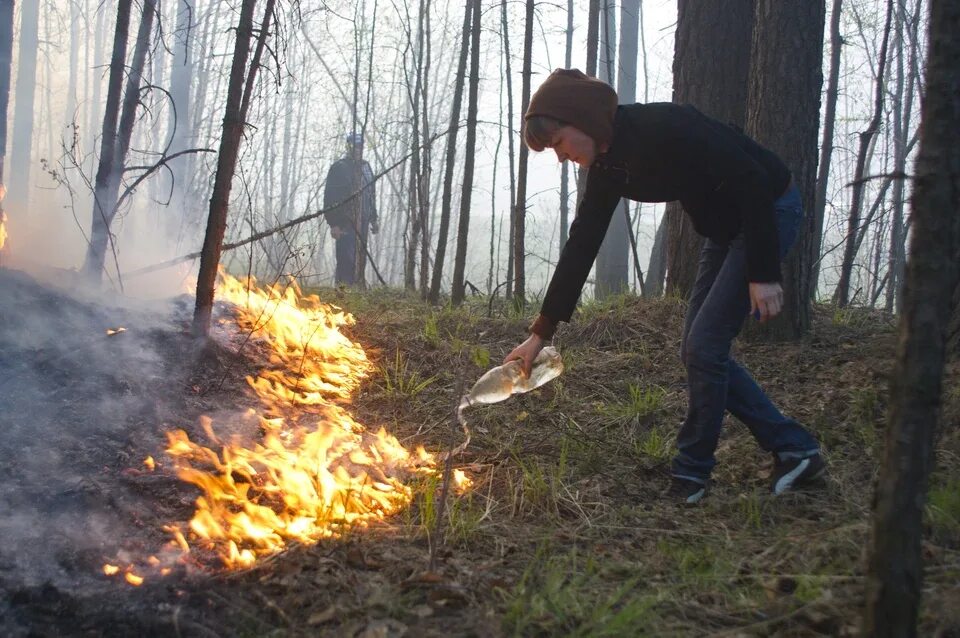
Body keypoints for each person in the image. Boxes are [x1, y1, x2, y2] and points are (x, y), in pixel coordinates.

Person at [504, 69, 825, 505]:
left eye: (558, 143)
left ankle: (691, 475)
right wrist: (540, 333)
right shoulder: (607, 166)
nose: (560, 157)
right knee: (698, 350)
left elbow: (751, 178)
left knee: (705, 347)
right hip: (722, 231)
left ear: (582, 119)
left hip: (767, 210)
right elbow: (584, 241)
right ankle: (795, 448)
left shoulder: (667, 126)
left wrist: (764, 272)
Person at [323, 133, 378, 286]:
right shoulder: (339, 168)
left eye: (361, 147)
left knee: (360, 258)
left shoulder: (366, 167)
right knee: (345, 259)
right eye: (355, 146)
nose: (358, 150)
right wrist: (333, 223)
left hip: (364, 223)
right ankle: (343, 292)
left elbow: (371, 194)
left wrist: (374, 218)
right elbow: (330, 197)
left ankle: (358, 288)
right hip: (345, 223)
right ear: (349, 147)